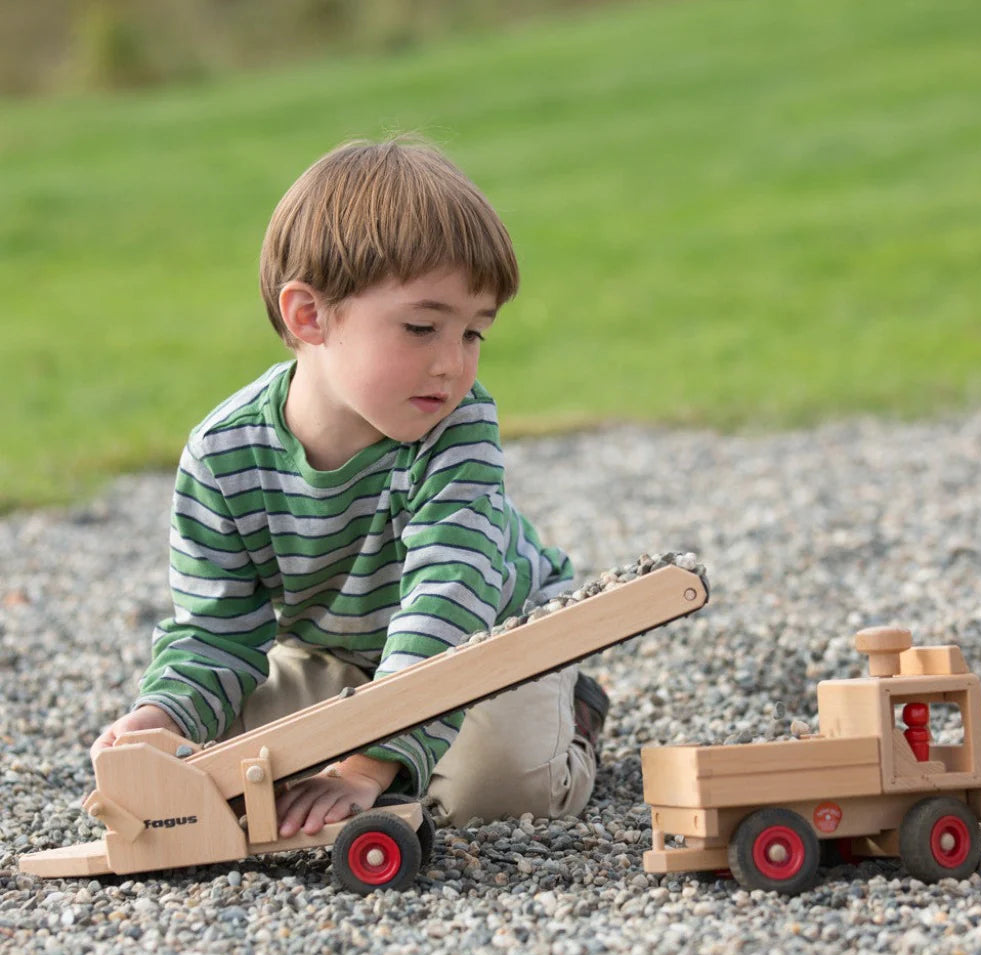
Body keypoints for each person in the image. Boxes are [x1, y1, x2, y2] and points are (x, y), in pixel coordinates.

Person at [91, 138, 609, 840]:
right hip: (337, 655)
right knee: (229, 772)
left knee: (496, 788)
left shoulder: (457, 427)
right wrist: (162, 720)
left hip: (484, 640)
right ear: (310, 316)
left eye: (473, 334)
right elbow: (214, 636)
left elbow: (446, 597)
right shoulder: (222, 454)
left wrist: (366, 763)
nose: (453, 366)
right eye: (423, 327)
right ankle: (381, 735)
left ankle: (573, 717)